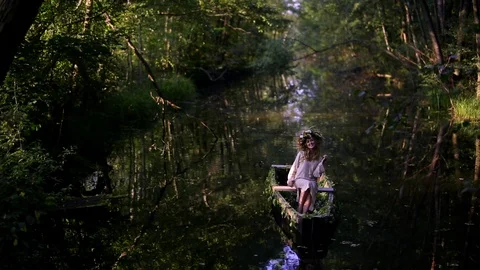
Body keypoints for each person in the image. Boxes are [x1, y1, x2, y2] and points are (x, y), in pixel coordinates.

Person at [286, 130, 327, 214]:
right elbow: (294, 167)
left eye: (311, 140)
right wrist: (290, 178)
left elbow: (316, 174)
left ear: (315, 141)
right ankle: (299, 209)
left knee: (311, 186)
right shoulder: (301, 154)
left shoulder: (318, 157)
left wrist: (322, 162)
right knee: (307, 184)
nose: (310, 143)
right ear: (305, 144)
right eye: (308, 142)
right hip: (300, 179)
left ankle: (303, 215)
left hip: (311, 180)